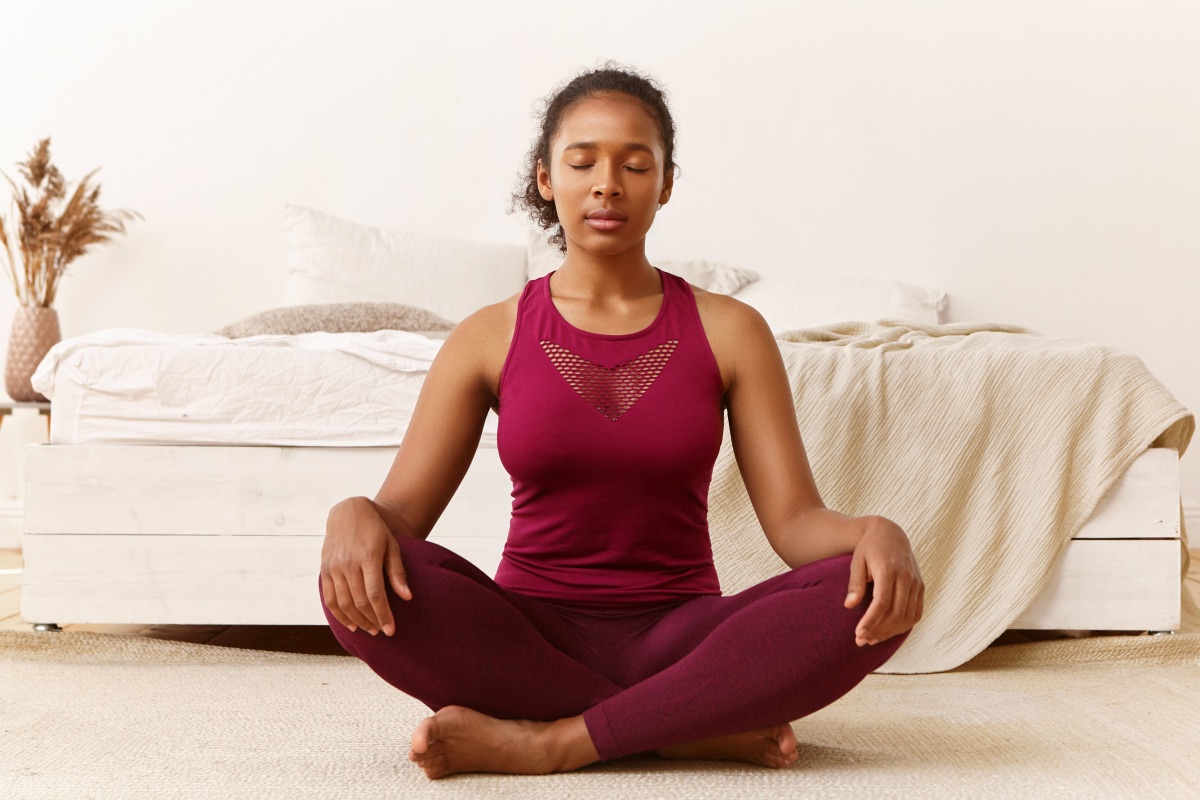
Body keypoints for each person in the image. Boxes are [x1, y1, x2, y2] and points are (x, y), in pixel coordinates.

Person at [319, 65, 924, 780]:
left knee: (855, 598)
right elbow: (403, 518)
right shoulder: (487, 336)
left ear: (665, 184)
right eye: (582, 163)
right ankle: (686, 726)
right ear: (546, 179)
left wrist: (872, 533)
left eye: (636, 165)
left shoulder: (731, 331)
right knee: (369, 582)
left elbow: (795, 525)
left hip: (683, 634)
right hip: (528, 636)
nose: (608, 183)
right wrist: (352, 513)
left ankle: (552, 742)